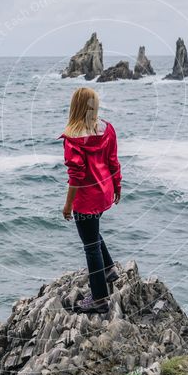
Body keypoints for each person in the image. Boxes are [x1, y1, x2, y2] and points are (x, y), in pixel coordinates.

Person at [58, 87, 122, 314]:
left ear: (75, 107)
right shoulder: (107, 130)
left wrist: (68, 206)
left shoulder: (73, 139)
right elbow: (114, 162)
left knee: (90, 246)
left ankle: (99, 299)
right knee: (92, 233)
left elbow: (75, 177)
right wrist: (117, 186)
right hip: (104, 192)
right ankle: (109, 269)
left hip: (86, 199)